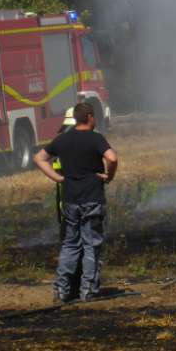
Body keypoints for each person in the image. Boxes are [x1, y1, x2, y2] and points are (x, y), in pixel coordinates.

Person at [33, 102, 118, 302]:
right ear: (89, 117)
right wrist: (108, 176)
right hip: (91, 198)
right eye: (94, 116)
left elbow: (39, 158)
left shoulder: (62, 140)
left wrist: (57, 178)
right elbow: (112, 159)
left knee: (70, 245)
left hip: (70, 199)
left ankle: (61, 290)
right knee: (91, 244)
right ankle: (88, 290)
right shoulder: (96, 138)